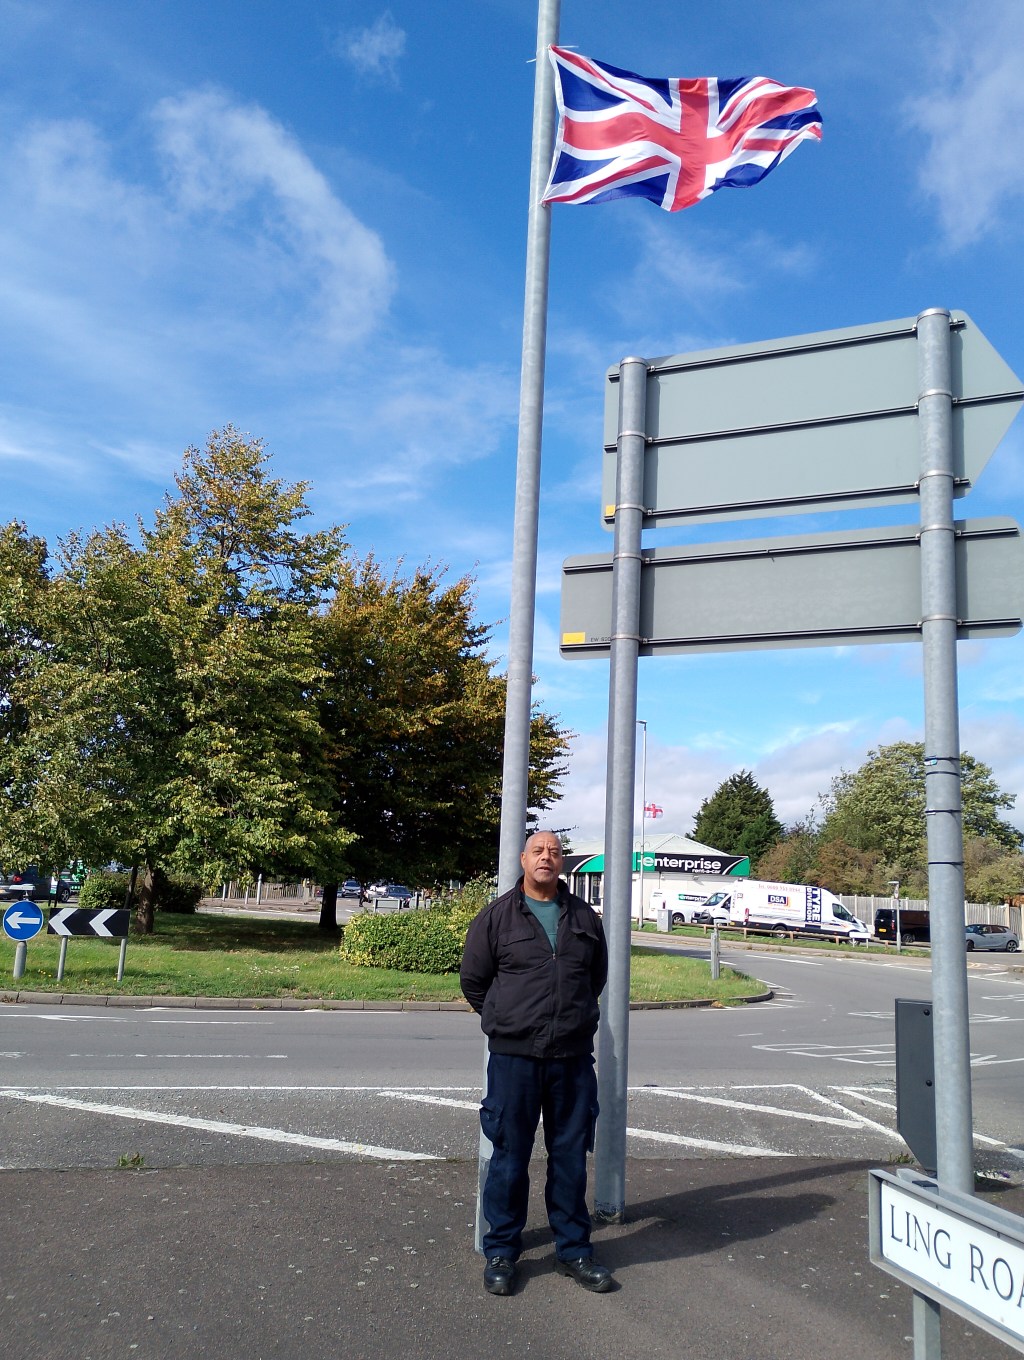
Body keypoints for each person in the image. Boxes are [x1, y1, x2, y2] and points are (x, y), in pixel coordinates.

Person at [460, 830, 614, 1296]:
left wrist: (569, 1019)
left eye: (554, 851)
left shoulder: (584, 918)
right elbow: (474, 981)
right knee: (509, 1157)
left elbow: (596, 977)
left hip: (571, 1059)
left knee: (570, 1158)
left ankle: (574, 1251)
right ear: (523, 860)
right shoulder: (496, 917)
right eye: (538, 851)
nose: (547, 857)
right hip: (515, 1060)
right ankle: (502, 1251)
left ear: (562, 862)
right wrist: (507, 1019)